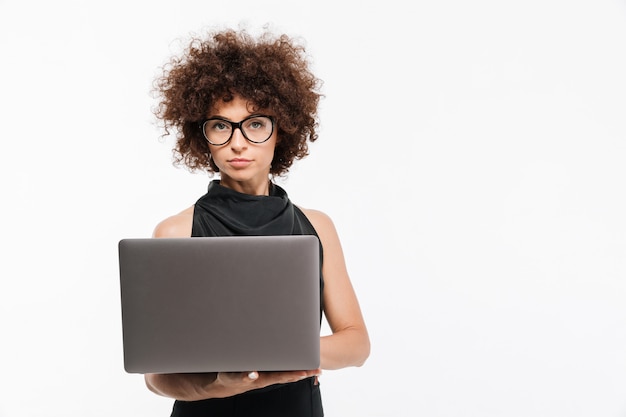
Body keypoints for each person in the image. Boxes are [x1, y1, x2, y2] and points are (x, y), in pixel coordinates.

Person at [143, 27, 370, 417]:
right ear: (202, 136)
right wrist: (217, 384)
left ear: (280, 130)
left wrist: (291, 356)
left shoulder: (316, 227)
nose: (237, 142)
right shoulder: (175, 232)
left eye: (255, 124)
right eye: (220, 125)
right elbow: (156, 377)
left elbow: (357, 344)